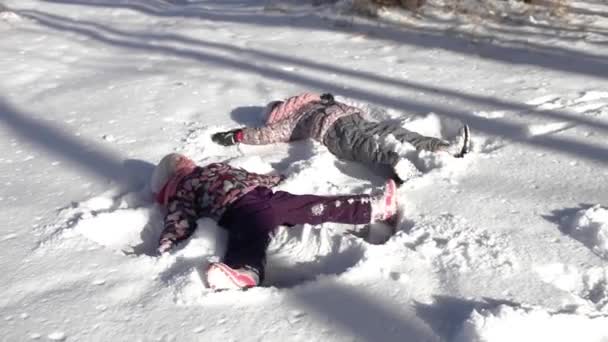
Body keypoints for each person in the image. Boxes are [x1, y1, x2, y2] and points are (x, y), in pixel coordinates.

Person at [151, 153, 398, 290]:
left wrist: (169, 240)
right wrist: (273, 180)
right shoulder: (214, 168)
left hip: (245, 206)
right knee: (313, 206)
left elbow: (178, 216)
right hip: (263, 198)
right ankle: (372, 207)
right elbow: (247, 176)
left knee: (251, 235)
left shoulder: (182, 189)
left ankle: (246, 272)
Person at [211, 92, 470, 183]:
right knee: (363, 146)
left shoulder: (320, 104)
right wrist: (239, 135)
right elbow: (268, 133)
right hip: (334, 133)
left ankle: (443, 147)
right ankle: (397, 164)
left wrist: (329, 102)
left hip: (355, 120)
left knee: (394, 131)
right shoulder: (293, 121)